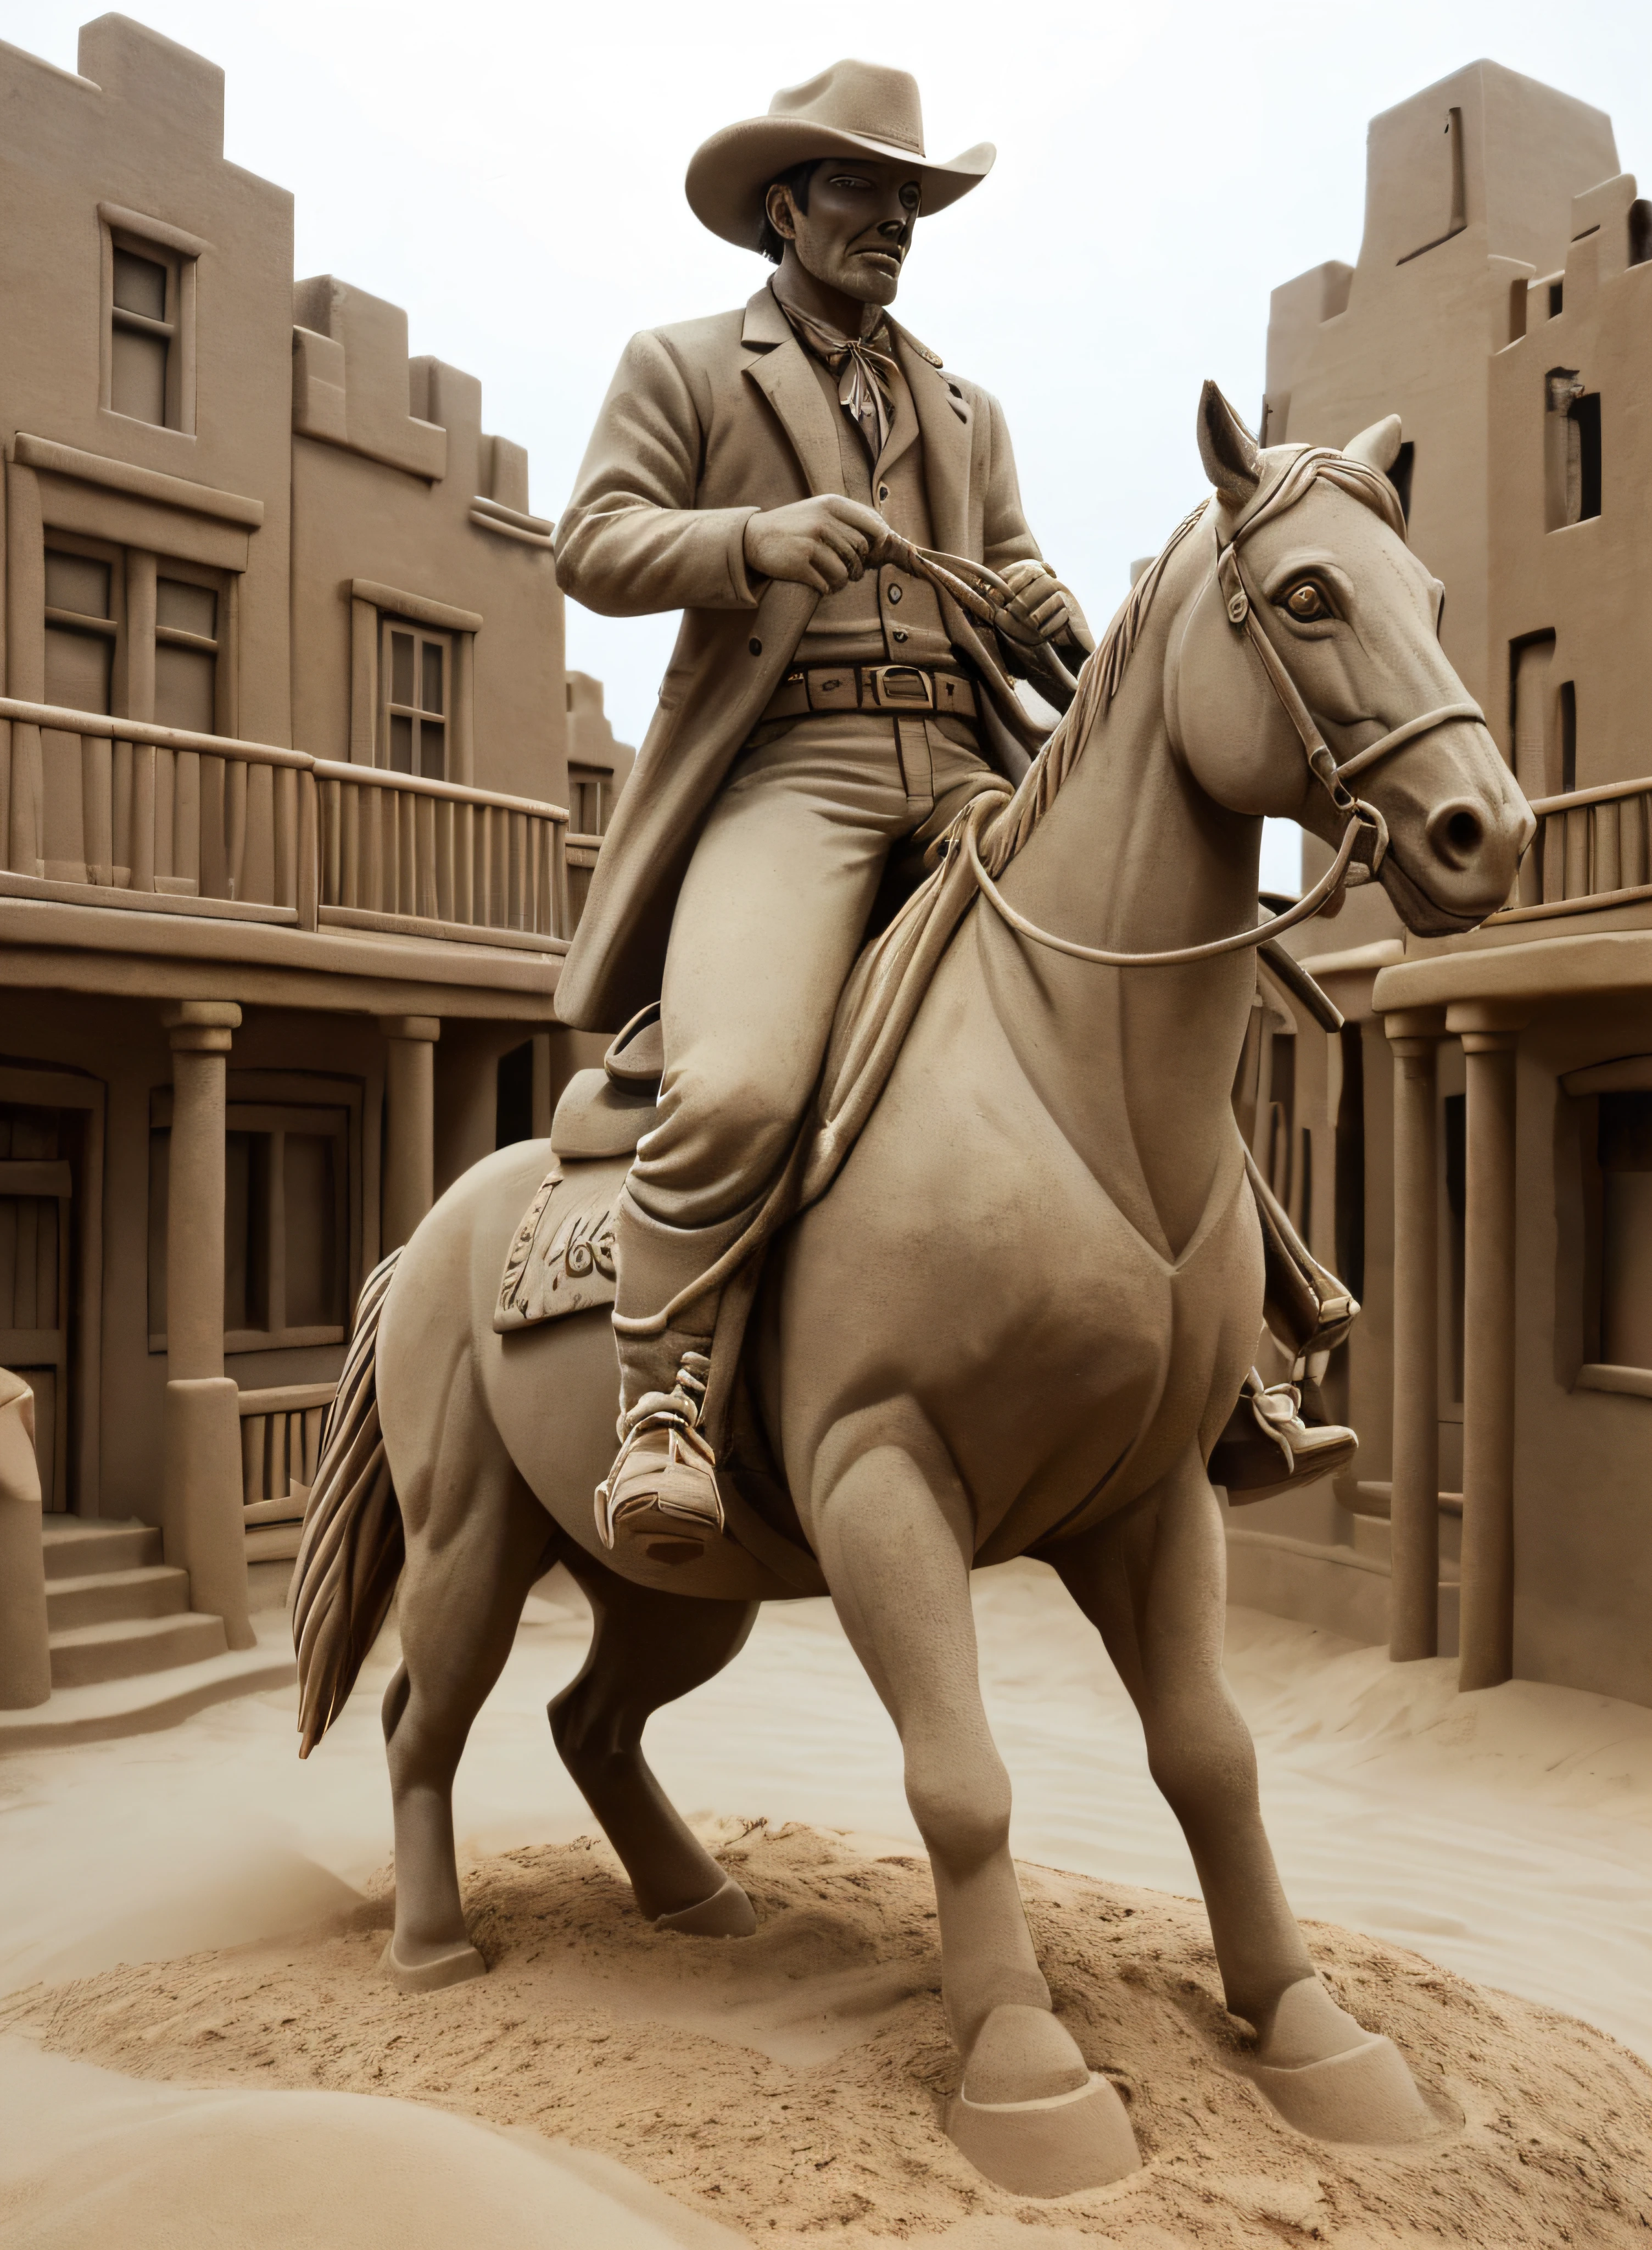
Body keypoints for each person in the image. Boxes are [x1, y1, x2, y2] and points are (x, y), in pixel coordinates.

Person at [555, 59, 1355, 1553]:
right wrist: (755, 537)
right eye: (862, 189)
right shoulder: (681, 366)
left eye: (910, 196)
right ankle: (662, 1402)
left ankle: (1245, 1346)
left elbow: (1008, 567)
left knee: (1140, 997)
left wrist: (1044, 594)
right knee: (736, 1087)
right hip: (794, 772)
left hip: (965, 767)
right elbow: (593, 542)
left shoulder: (960, 407)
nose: (895, 220)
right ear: (784, 206)